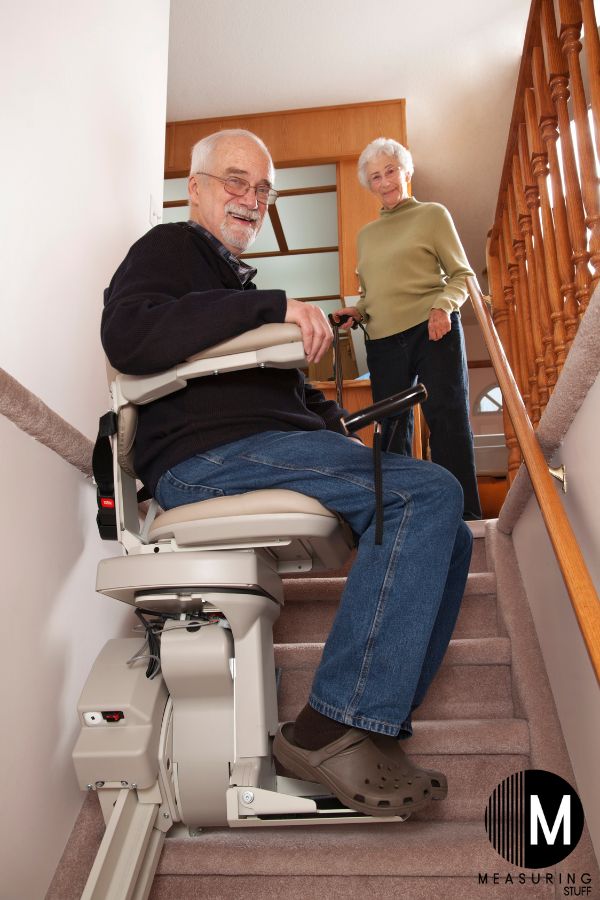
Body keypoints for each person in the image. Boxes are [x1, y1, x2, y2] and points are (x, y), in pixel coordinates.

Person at [101, 128, 473, 818]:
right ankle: (331, 723)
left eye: (262, 188)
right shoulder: (172, 249)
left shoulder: (238, 290)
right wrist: (271, 308)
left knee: (448, 528)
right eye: (236, 181)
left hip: (260, 445)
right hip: (205, 456)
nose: (250, 198)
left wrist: (327, 415)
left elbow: (287, 398)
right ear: (197, 188)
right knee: (428, 490)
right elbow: (126, 334)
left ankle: (370, 725)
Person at [333, 137, 482, 520]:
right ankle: (404, 513)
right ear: (369, 185)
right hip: (383, 340)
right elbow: (375, 295)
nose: (384, 182)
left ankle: (464, 515)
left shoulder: (433, 215)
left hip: (432, 329)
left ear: (406, 171)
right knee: (391, 430)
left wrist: (442, 308)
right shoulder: (366, 235)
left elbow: (462, 275)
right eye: (376, 177)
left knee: (446, 419)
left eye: (390, 171)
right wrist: (358, 312)